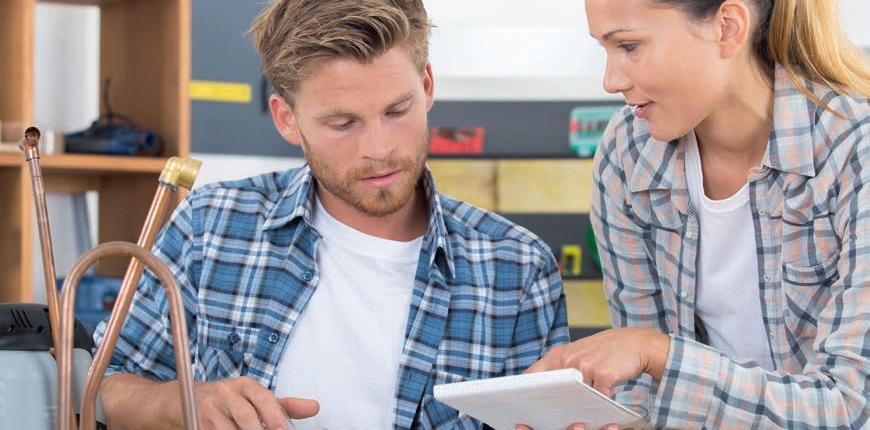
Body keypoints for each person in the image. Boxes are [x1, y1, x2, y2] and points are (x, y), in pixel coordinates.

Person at [91, 0, 569, 429]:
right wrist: (183, 403)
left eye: (397, 111)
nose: (379, 148)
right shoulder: (210, 225)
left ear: (426, 86)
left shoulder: (518, 267)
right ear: (286, 118)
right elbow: (103, 387)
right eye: (343, 123)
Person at [521, 0, 870, 429]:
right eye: (604, 49)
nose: (611, 81)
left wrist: (657, 353)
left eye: (629, 46)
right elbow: (643, 392)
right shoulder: (628, 152)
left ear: (727, 27)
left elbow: (849, 407)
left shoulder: (856, 151)